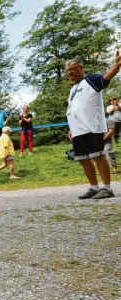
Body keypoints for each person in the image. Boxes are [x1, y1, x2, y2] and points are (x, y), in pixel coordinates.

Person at [65, 52, 121, 199]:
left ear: (81, 68)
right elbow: (73, 110)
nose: (69, 72)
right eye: (67, 70)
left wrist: (117, 65)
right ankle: (94, 187)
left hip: (92, 127)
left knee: (98, 156)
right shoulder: (72, 89)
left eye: (72, 68)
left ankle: (107, 188)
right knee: (83, 158)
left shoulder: (91, 80)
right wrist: (71, 129)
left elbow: (106, 77)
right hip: (78, 130)